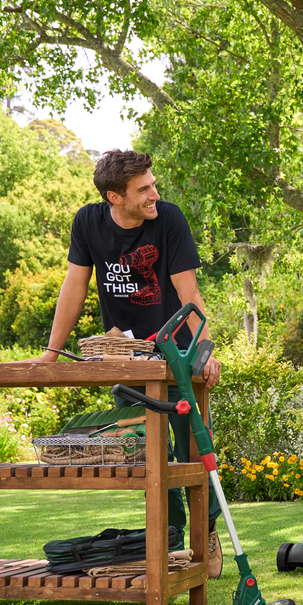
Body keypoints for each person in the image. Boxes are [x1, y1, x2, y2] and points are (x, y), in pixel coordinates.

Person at [27, 149, 225, 576]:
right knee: (152, 455)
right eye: (144, 189)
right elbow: (74, 284)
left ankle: (206, 531)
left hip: (177, 354)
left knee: (193, 450)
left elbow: (188, 292)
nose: (155, 194)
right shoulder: (88, 222)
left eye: (153, 184)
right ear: (114, 198)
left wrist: (205, 349)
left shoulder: (167, 219)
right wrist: (50, 353)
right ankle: (172, 540)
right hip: (126, 358)